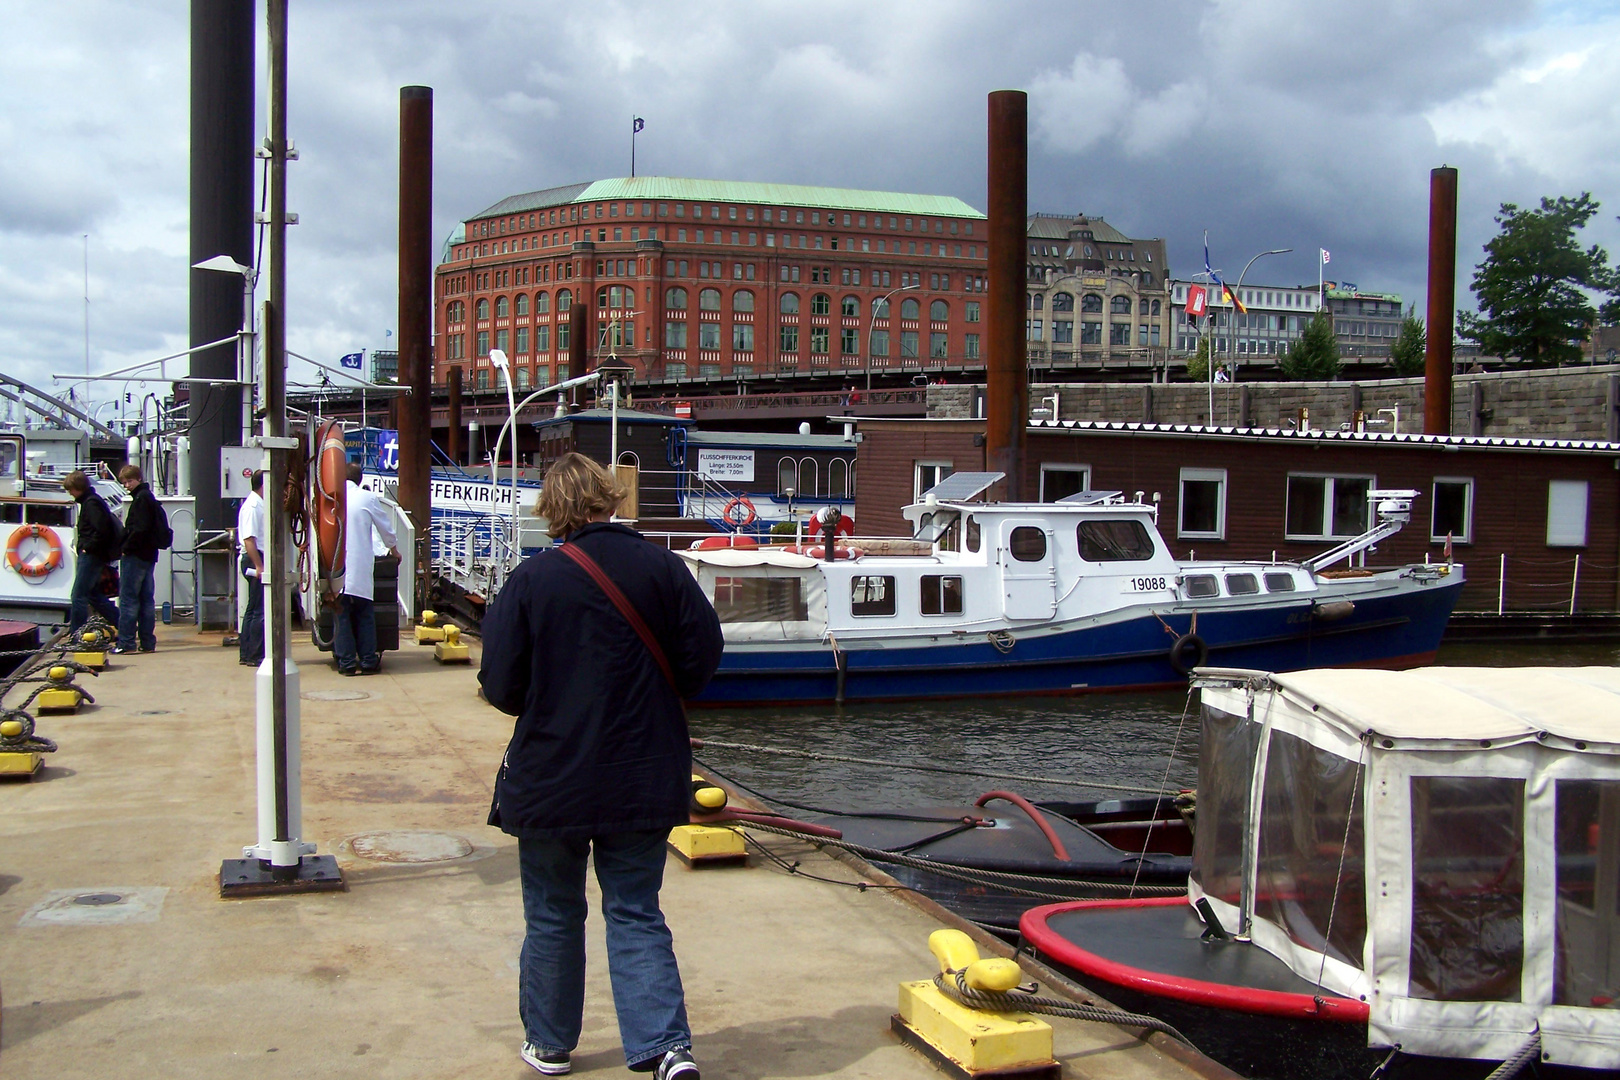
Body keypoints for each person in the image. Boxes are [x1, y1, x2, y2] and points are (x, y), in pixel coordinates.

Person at [480, 453, 722, 1080]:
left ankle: (551, 1045)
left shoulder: (532, 580)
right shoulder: (664, 568)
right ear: (610, 500)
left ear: (554, 510)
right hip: (644, 770)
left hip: (553, 775)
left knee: (554, 911)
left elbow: (500, 684)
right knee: (635, 907)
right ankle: (666, 1047)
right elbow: (703, 656)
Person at [334, 463, 398, 676]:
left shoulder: (330, 498)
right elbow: (385, 529)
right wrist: (394, 551)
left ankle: (347, 663)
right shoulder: (366, 498)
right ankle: (369, 661)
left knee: (342, 616)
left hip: (336, 568)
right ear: (360, 480)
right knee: (364, 616)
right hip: (360, 567)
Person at [113, 464, 168, 653]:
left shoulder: (140, 499)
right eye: (124, 482)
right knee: (146, 600)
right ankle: (147, 642)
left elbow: (139, 529)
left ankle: (126, 642)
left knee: (128, 599)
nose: (127, 485)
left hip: (135, 555)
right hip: (149, 555)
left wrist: (125, 548)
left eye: (129, 481)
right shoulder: (149, 498)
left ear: (138, 479)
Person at [63, 470, 121, 632]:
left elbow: (101, 530)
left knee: (78, 595)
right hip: (95, 555)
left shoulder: (91, 503)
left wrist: (87, 548)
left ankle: (77, 632)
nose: (70, 493)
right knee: (93, 594)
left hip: (91, 555)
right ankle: (122, 623)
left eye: (71, 490)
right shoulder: (92, 501)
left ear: (78, 488)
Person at [237, 470, 267, 666]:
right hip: (254, 557)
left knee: (253, 608)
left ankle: (248, 653)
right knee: (258, 610)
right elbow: (249, 540)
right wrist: (259, 565)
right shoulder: (253, 506)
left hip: (255, 556)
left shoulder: (257, 504)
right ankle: (254, 654)